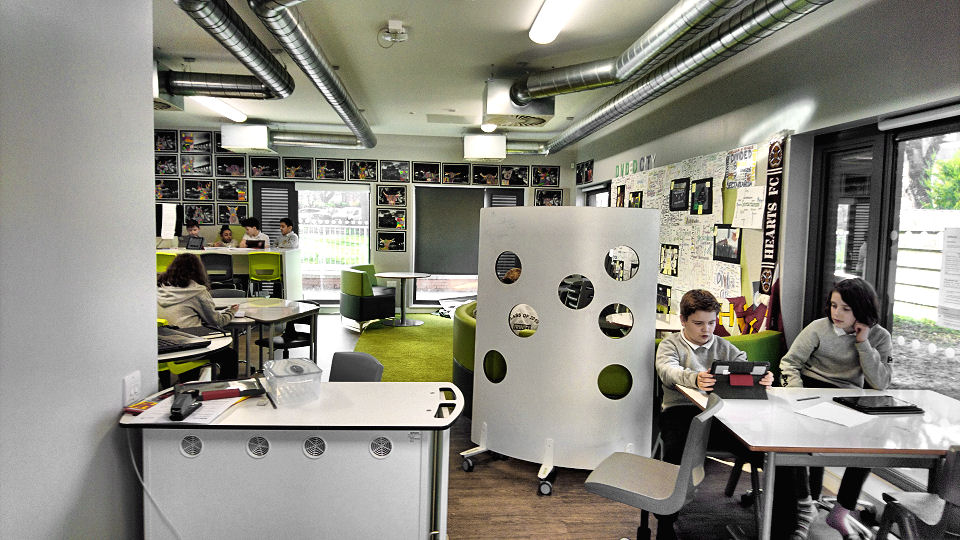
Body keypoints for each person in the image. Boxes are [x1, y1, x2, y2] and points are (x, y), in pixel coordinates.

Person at [654, 289, 773, 539]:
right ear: (683, 320)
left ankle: (779, 523)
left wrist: (761, 378)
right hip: (681, 411)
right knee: (675, 453)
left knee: (766, 449)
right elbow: (667, 371)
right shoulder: (670, 344)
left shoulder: (724, 346)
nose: (706, 329)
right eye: (698, 323)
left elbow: (744, 366)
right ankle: (666, 520)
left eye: (711, 322)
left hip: (721, 415)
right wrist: (694, 378)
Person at [779, 277, 892, 539]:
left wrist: (863, 343)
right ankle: (804, 505)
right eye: (833, 305)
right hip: (808, 390)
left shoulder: (880, 336)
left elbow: (881, 383)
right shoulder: (818, 328)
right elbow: (789, 363)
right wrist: (797, 395)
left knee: (872, 442)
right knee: (792, 437)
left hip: (847, 398)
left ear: (861, 310)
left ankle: (841, 511)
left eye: (845, 308)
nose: (836, 313)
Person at [157, 253, 240, 380]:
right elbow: (217, 321)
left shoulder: (159, 287)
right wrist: (231, 311)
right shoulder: (198, 291)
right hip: (188, 345)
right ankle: (224, 387)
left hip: (162, 346)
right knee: (230, 355)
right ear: (198, 270)